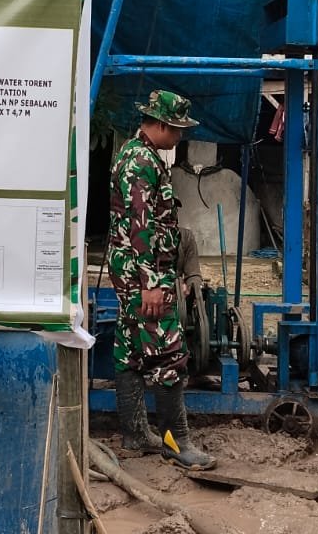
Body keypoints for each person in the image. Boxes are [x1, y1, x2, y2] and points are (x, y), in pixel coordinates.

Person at [107, 89, 216, 471]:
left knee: (130, 348)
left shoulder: (140, 154)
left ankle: (136, 432)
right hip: (143, 272)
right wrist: (151, 283)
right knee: (168, 350)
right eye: (178, 129)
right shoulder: (141, 161)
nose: (181, 136)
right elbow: (141, 224)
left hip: (133, 270)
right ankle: (177, 441)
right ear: (162, 125)